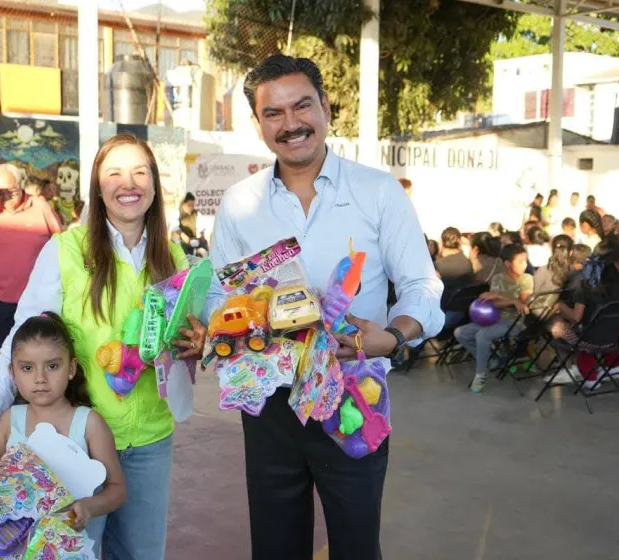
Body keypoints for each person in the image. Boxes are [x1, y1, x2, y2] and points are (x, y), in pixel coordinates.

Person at [209, 54, 443, 559]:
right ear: (258, 123)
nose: (291, 124)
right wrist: (209, 329)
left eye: (302, 106)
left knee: (356, 542)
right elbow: (219, 295)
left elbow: (422, 285)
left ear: (326, 108)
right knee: (275, 544)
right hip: (268, 399)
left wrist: (392, 336)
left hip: (354, 394)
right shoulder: (239, 203)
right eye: (274, 113)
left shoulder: (377, 191)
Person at [0, 134, 214, 560]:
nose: (128, 183)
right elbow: (22, 336)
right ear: (98, 188)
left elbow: (191, 334)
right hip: (73, 442)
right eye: (114, 173)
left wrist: (198, 341)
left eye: (140, 172)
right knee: (70, 551)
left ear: (155, 185)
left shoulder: (174, 258)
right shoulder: (65, 250)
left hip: (149, 441)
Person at [0, 313, 127, 557]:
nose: (40, 378)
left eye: (52, 366)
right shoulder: (10, 421)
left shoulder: (89, 424)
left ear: (71, 368)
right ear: (12, 373)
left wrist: (88, 507)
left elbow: (117, 490)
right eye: (27, 368)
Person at [0, 165, 62, 369]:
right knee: (4, 358)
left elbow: (61, 241)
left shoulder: (40, 206)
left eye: (10, 191)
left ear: (20, 184)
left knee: (38, 355)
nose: (5, 197)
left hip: (37, 299)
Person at [547, 238, 619, 389]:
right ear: (618, 261)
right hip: (615, 339)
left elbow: (576, 316)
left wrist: (560, 306)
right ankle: (609, 366)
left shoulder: (587, 283)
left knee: (554, 324)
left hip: (588, 340)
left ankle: (577, 369)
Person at [454, 243, 532, 393]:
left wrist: (500, 298)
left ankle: (480, 374)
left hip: (514, 322)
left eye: (525, 261)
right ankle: (491, 359)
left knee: (482, 335)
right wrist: (509, 300)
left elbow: (522, 303)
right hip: (493, 319)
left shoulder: (527, 279)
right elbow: (494, 303)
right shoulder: (498, 278)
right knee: (460, 332)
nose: (525, 265)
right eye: (520, 261)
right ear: (508, 264)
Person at [435, 227, 473, 328]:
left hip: (445, 313)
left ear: (441, 242)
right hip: (466, 311)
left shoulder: (438, 266)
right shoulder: (468, 262)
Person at [531, 234, 573, 312]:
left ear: (552, 249)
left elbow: (533, 296)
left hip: (541, 313)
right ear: (571, 252)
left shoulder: (543, 270)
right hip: (563, 313)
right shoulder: (575, 272)